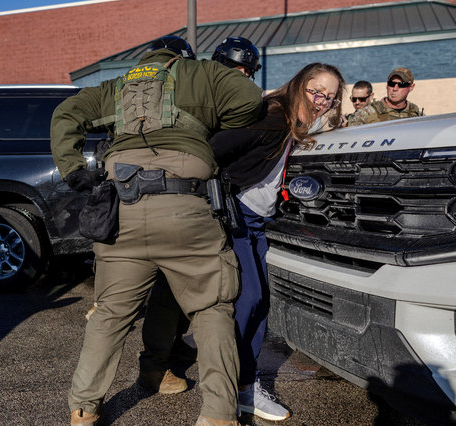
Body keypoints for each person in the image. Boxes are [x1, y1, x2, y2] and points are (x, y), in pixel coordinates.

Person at [51, 35, 263, 426]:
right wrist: (209, 127)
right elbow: (249, 99)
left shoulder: (115, 86)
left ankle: (84, 408)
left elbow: (65, 114)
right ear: (184, 58)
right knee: (211, 309)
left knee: (111, 314)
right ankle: (218, 415)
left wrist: (73, 170)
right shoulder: (203, 72)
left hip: (122, 211)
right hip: (187, 209)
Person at [141, 61, 345, 423]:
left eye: (330, 97)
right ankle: (232, 388)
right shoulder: (271, 115)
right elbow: (214, 148)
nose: (322, 101)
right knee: (246, 300)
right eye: (317, 91)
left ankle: (244, 388)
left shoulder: (295, 123)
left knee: (259, 301)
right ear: (299, 85)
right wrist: (215, 193)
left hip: (257, 221)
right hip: (235, 215)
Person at [347, 67, 421, 126]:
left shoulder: (416, 113)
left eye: (401, 85)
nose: (395, 89)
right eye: (391, 84)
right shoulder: (367, 113)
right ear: (387, 85)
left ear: (411, 87)